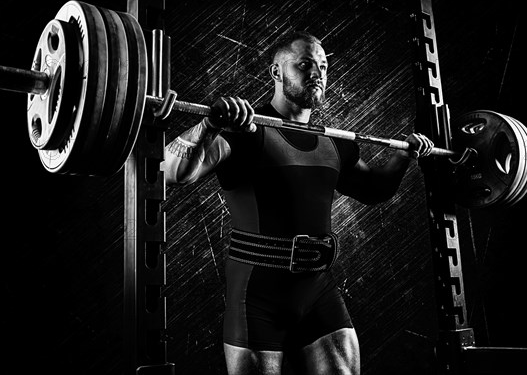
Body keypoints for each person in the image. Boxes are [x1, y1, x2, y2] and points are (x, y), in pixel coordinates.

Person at [162, 31, 434, 375]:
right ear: (277, 72)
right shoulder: (244, 131)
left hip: (318, 289)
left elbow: (373, 190)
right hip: (257, 294)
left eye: (322, 66)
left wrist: (403, 157)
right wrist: (209, 125)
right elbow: (173, 172)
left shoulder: (335, 142)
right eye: (305, 64)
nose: (317, 74)